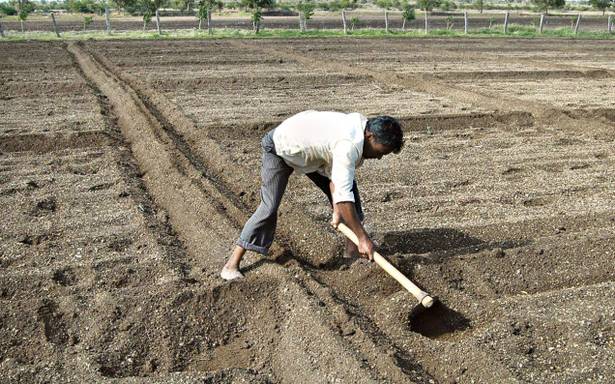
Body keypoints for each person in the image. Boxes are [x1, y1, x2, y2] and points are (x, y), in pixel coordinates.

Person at [221, 110, 404, 280]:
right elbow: (342, 194)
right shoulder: (348, 145)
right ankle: (231, 264)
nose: (379, 158)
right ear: (369, 136)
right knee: (269, 207)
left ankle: (352, 256)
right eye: (380, 152)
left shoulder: (361, 129)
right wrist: (363, 238)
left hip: (312, 154)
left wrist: (337, 209)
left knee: (351, 204)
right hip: (280, 147)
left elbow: (337, 177)